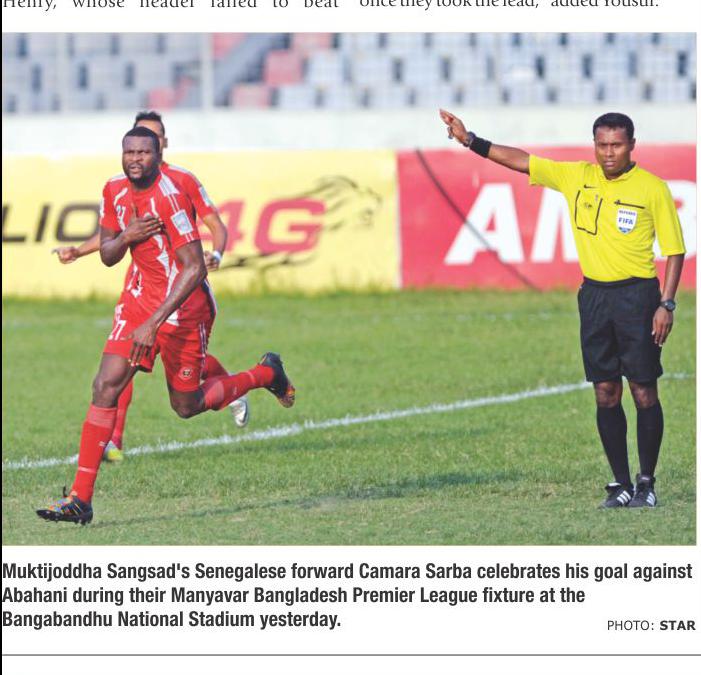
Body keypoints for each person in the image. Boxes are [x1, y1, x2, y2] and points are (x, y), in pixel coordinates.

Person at [36, 126, 295, 525]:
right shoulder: (113, 190)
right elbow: (108, 255)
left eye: (143, 152)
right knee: (105, 385)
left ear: (158, 155)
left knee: (185, 405)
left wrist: (154, 324)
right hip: (140, 301)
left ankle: (266, 374)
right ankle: (80, 499)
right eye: (129, 152)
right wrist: (127, 235)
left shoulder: (170, 199)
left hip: (184, 307)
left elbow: (193, 269)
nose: (135, 159)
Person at [439, 109, 685, 508]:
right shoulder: (576, 177)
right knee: (605, 391)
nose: (608, 153)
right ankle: (621, 484)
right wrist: (470, 140)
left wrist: (666, 304)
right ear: (594, 145)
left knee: (642, 390)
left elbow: (674, 250)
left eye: (616, 145)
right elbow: (523, 162)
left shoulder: (652, 188)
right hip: (594, 298)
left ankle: (646, 483)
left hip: (638, 297)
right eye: (602, 145)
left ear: (632, 146)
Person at [52, 111, 249, 463]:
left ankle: (238, 384)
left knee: (184, 394)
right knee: (114, 372)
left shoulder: (179, 183)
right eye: (132, 148)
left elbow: (213, 224)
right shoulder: (119, 186)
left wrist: (216, 253)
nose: (138, 154)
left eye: (150, 143)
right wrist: (79, 251)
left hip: (181, 293)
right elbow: (114, 236)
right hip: (140, 290)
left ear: (161, 145)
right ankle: (111, 442)